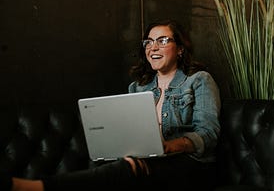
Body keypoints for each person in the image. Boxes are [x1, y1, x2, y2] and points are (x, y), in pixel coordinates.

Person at [1, 19, 221, 191]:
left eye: (163, 40)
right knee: (111, 168)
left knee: (125, 172)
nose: (153, 47)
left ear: (180, 48)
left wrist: (169, 147)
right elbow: (129, 135)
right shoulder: (138, 88)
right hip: (149, 165)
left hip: (191, 165)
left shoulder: (199, 80)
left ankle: (33, 187)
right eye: (149, 42)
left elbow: (208, 134)